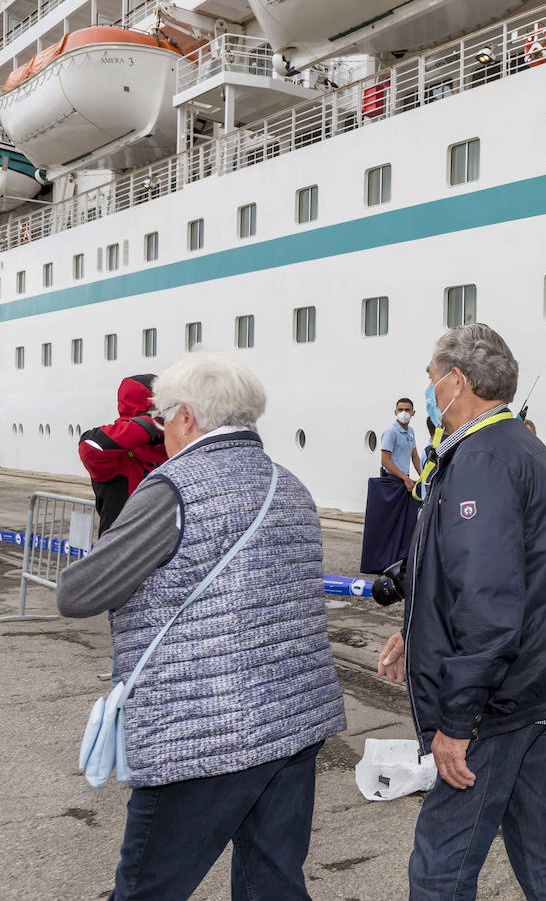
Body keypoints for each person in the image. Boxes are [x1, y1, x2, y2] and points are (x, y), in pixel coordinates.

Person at [55, 352, 346, 899]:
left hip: (200, 733)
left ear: (186, 417)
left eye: (165, 417)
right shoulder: (292, 487)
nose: (162, 430)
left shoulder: (174, 489)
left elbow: (78, 593)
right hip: (294, 723)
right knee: (273, 885)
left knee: (148, 888)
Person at [378, 323, 546, 900]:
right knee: (543, 850)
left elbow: (489, 602)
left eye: (432, 380)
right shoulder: (511, 445)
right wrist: (414, 629)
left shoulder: (483, 459)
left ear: (457, 380)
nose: (430, 393)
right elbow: (487, 572)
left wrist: (457, 723)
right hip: (541, 686)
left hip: (504, 696)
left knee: (441, 863)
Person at [77, 374, 168, 534]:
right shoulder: (118, 454)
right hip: (121, 550)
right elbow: (91, 447)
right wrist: (158, 420)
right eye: (159, 407)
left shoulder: (171, 446)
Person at [360, 397, 422, 573]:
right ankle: (381, 562)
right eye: (400, 409)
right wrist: (404, 478)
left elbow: (415, 457)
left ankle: (400, 560)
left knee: (406, 524)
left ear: (413, 413)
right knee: (388, 525)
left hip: (405, 482)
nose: (404, 413)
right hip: (393, 482)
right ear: (395, 412)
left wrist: (424, 477)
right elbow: (385, 460)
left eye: (407, 410)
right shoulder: (391, 432)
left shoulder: (410, 432)